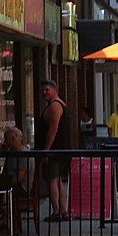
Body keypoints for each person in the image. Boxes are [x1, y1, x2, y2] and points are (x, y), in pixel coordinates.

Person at [35, 79, 71, 222]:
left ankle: (57, 211)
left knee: (52, 180)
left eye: (47, 90)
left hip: (54, 153)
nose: (44, 92)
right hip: (60, 151)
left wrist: (45, 152)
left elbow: (52, 130)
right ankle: (63, 211)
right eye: (43, 90)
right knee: (58, 181)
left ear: (54, 90)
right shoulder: (59, 104)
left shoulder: (55, 106)